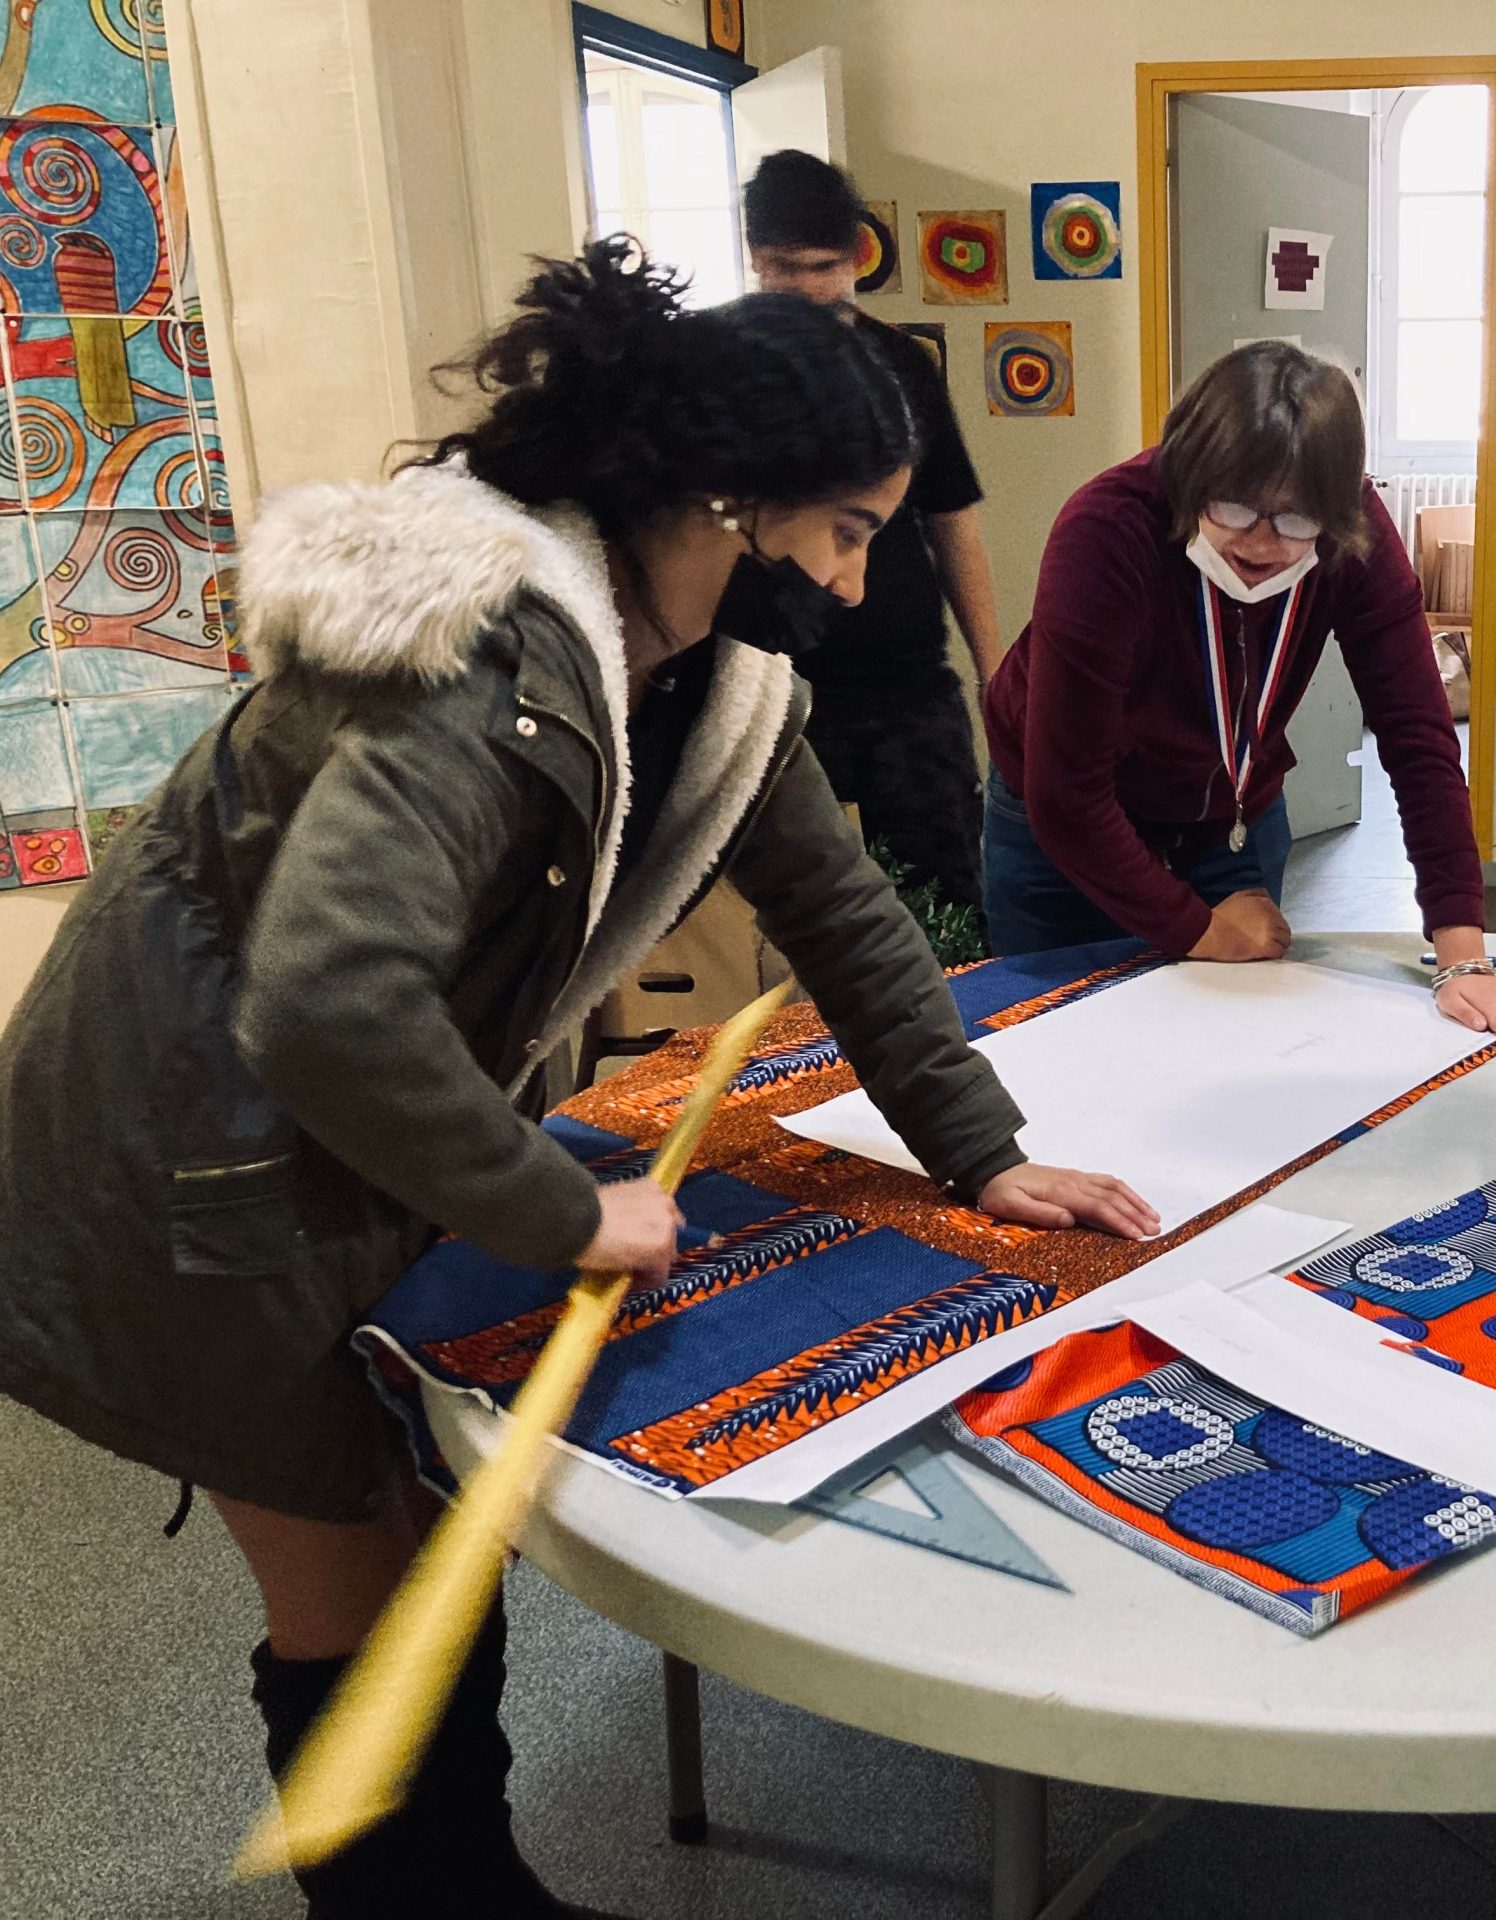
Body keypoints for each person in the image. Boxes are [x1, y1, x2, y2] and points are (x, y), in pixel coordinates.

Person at [0, 239, 1154, 1920]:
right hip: (190, 1161)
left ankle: (471, 1888)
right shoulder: (482, 664)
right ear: (727, 504)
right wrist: (564, 1212)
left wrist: (982, 1152)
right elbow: (327, 1006)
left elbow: (845, 922)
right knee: (367, 1590)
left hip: (309, 1141)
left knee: (420, 1550)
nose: (851, 582)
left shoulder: (707, 677)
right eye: (842, 532)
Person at [979, 340, 1496, 1047]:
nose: (1260, 542)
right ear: (1187, 474)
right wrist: (1195, 928)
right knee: (1055, 1038)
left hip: (1227, 811)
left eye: (1295, 521)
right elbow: (1068, 797)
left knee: (1228, 1034)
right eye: (1232, 507)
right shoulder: (1107, 529)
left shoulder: (1354, 534)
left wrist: (1462, 955)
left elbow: (1419, 743)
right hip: (1059, 823)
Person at [743, 149, 999, 917]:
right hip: (767, 693)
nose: (803, 288)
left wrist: (997, 672)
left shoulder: (901, 364)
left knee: (944, 912)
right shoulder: (718, 366)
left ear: (856, 258)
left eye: (822, 267)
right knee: (790, 924)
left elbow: (953, 521)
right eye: (783, 267)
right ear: (754, 257)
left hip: (906, 689)